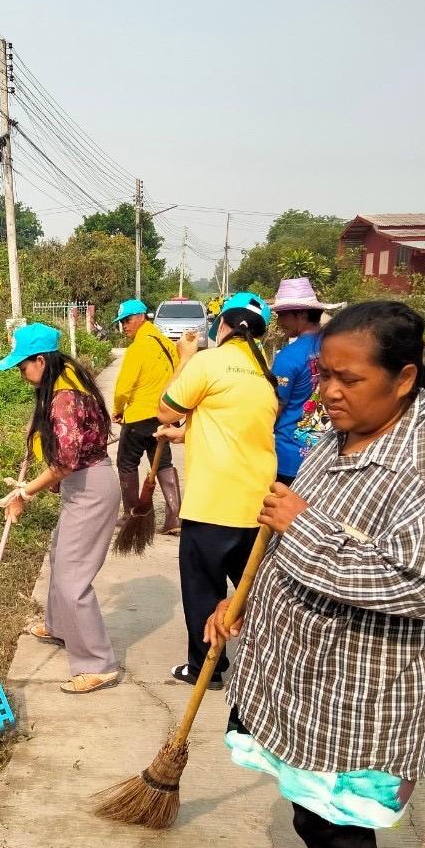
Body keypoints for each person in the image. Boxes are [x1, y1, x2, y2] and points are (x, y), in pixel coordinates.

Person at [205, 300, 425, 848]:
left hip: (360, 691)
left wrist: (307, 527)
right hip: (302, 675)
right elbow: (285, 540)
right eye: (325, 375)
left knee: (341, 832)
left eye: (348, 379)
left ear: (405, 378)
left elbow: (421, 585)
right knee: (311, 813)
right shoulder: (339, 438)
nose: (327, 392)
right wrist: (241, 601)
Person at [155, 292, 278, 690]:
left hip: (212, 506)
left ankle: (205, 668)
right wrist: (186, 433)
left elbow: (166, 408)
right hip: (258, 506)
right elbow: (232, 427)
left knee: (204, 591)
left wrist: (185, 358)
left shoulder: (209, 362)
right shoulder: (264, 376)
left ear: (223, 324)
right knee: (254, 595)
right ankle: (269, 668)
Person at [0, 322, 121, 694]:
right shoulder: (62, 382)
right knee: (58, 557)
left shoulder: (65, 397)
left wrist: (23, 493)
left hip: (90, 488)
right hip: (82, 484)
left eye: (22, 366)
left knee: (72, 577)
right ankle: (60, 626)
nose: (20, 374)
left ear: (41, 361)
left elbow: (64, 462)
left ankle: (99, 664)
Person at [111, 298, 182, 534]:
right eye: (121, 322)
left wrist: (118, 409)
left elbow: (123, 388)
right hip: (164, 417)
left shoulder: (138, 347)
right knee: (162, 462)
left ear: (142, 316)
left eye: (127, 320)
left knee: (127, 462)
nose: (124, 326)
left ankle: (133, 515)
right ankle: (174, 517)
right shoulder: (167, 344)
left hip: (139, 417)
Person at [271, 276, 326, 484]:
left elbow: (275, 407)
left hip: (289, 456)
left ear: (301, 313)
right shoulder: (336, 348)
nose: (279, 322)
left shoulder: (289, 357)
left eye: (283, 315)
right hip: (326, 452)